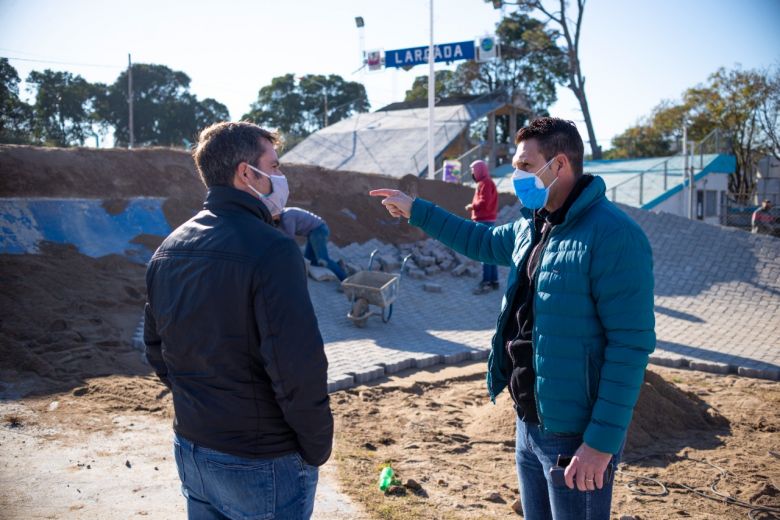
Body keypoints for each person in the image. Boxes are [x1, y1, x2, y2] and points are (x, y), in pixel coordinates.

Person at [370, 117, 655, 519]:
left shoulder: (614, 235)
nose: (515, 177)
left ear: (559, 165)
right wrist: (417, 210)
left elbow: (631, 345)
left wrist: (601, 444)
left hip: (576, 439)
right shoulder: (533, 224)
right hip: (529, 423)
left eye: (524, 166)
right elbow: (481, 241)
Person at [144, 121, 333, 520]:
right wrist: (316, 446)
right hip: (260, 458)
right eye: (276, 167)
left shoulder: (168, 247)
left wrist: (204, 406)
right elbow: (297, 365)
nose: (282, 177)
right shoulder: (274, 249)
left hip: (193, 447)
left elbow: (157, 350)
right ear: (247, 173)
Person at [276, 207, 347, 281]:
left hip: (318, 230)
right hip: (313, 232)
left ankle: (346, 280)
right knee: (311, 261)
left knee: (323, 260)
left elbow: (290, 239)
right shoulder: (283, 214)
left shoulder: (287, 217)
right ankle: (339, 266)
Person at [465, 159, 499, 294]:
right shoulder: (487, 182)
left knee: (484, 252)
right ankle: (494, 281)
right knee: (489, 251)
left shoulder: (485, 183)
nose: (472, 173)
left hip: (484, 220)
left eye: (473, 171)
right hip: (487, 220)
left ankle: (486, 282)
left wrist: (471, 206)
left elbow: (484, 202)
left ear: (479, 170)